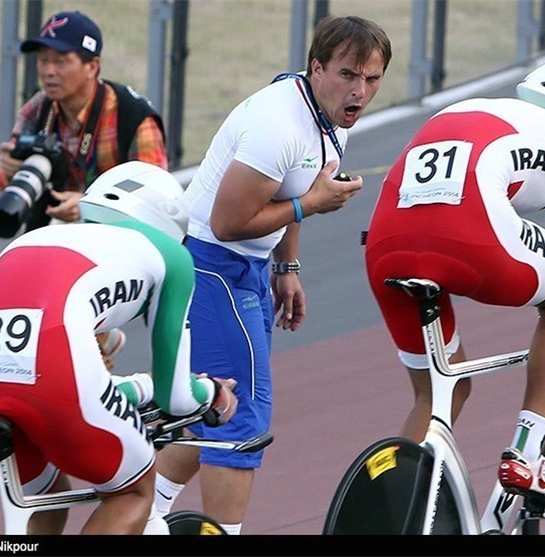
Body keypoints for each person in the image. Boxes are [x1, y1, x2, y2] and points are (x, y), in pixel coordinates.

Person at [364, 55, 545, 511]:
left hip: (385, 245)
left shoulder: (468, 109)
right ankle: (527, 452)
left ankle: (391, 512)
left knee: (442, 390)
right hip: (470, 232)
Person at [152, 15, 392, 533]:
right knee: (240, 418)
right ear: (316, 68)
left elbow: (293, 188)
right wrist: (311, 206)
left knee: (209, 403)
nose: (361, 91)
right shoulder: (278, 127)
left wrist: (287, 266)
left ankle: (145, 514)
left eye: (372, 80)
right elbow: (230, 220)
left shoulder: (326, 113)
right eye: (349, 75)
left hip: (245, 266)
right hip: (213, 264)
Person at [0, 161, 238, 534]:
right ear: (167, 222)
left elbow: (36, 368)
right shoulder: (170, 253)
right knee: (132, 492)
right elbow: (176, 396)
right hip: (53, 374)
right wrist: (212, 392)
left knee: (45, 504)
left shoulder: (33, 239)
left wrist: (137, 387)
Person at [0, 10, 168, 369]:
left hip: (123, 244)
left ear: (92, 66)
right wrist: (6, 171)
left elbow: (157, 204)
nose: (48, 71)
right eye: (43, 61)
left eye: (60, 61)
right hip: (54, 239)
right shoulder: (39, 109)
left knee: (72, 330)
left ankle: (93, 361)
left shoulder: (133, 116)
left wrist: (88, 208)